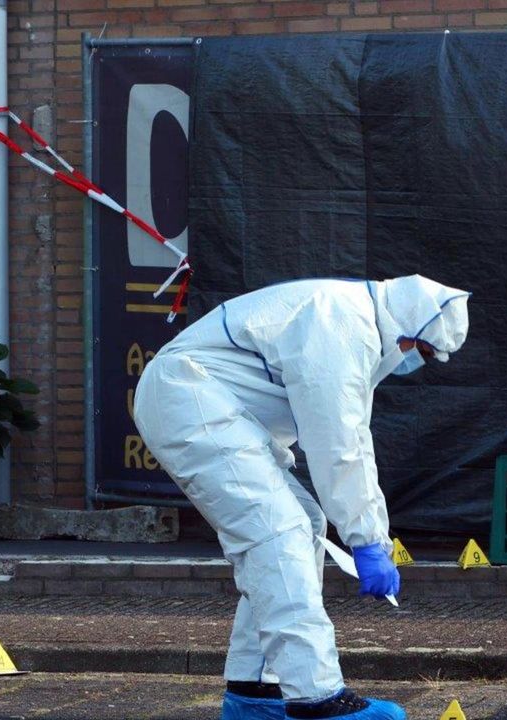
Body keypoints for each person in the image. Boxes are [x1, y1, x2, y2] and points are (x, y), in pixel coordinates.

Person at [134, 276, 470, 720]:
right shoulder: (340, 324)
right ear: (406, 324)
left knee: (304, 523)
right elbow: (339, 445)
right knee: (279, 532)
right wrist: (368, 540)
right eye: (421, 349)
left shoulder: (352, 319)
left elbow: (348, 438)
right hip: (190, 400)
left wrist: (370, 536)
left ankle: (254, 689)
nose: (413, 359)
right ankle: (318, 698)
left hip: (210, 406)